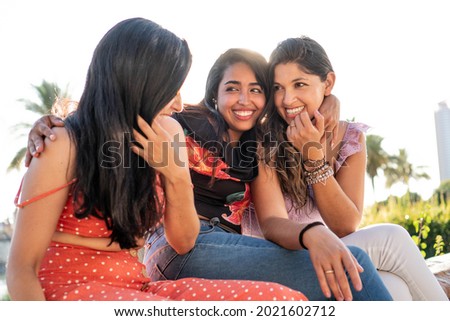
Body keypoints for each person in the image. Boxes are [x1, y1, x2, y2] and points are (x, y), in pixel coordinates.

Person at [24, 46, 392, 301]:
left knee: (340, 275)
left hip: (222, 250)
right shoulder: (182, 123)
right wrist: (53, 123)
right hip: (178, 245)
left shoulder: (259, 146)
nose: (245, 100)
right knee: (354, 267)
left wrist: (312, 234)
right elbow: (115, 113)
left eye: (257, 90)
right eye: (232, 89)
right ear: (214, 94)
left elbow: (275, 221)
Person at [6, 17, 309, 301]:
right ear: (139, 84)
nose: (178, 103)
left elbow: (184, 242)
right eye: (171, 89)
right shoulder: (63, 143)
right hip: (73, 290)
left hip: (136, 287)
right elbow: (21, 270)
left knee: (285, 300)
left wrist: (176, 174)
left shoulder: (167, 134)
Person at [243, 36, 448, 301]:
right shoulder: (263, 139)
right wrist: (313, 155)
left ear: (328, 83)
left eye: (300, 84)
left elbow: (345, 224)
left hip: (329, 253)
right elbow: (272, 224)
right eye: (278, 88)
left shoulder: (350, 138)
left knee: (394, 287)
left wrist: (312, 156)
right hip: (281, 261)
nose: (287, 98)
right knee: (392, 239)